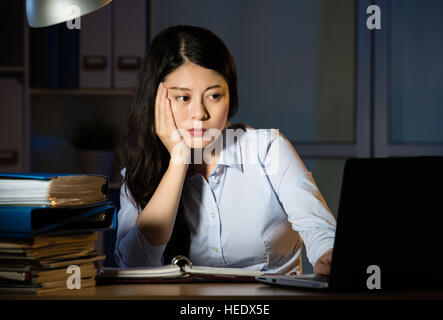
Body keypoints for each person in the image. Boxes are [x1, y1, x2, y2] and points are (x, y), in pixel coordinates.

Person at [115, 25, 336, 276]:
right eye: (183, 98)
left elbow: (318, 228)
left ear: (230, 96)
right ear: (155, 100)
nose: (200, 113)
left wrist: (327, 254)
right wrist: (178, 161)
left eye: (214, 95)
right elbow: (133, 265)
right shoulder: (141, 170)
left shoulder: (267, 150)